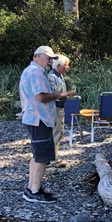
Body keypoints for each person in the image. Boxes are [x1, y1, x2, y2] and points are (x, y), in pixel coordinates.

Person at [19, 46, 75, 203]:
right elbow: (41, 97)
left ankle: (32, 187)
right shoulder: (36, 72)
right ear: (38, 56)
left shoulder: (30, 71)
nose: (51, 61)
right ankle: (34, 192)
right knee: (41, 157)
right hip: (39, 119)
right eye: (48, 58)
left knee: (37, 155)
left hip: (34, 118)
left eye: (52, 58)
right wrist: (58, 94)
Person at [48, 54, 71, 165]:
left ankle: (53, 155)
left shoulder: (59, 76)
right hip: (55, 107)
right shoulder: (52, 77)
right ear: (59, 65)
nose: (67, 68)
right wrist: (68, 93)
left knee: (59, 131)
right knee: (57, 131)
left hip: (60, 106)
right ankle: (52, 158)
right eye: (66, 65)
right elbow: (55, 94)